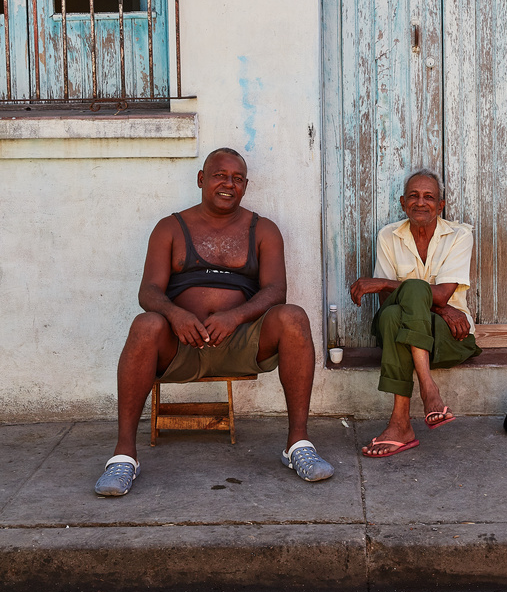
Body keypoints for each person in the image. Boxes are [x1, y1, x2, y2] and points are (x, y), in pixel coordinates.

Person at [94, 147, 333, 495]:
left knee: (293, 318)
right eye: (220, 175)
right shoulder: (170, 227)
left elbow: (275, 290)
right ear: (201, 179)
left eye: (237, 179)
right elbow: (148, 292)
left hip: (240, 341)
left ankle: (298, 446)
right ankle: (123, 458)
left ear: (246, 186)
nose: (228, 184)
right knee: (145, 324)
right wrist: (176, 315)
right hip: (181, 343)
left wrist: (234, 316)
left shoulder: (263, 229)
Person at [350, 169, 479, 458]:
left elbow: (442, 294)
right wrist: (433, 302)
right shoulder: (388, 236)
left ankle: (401, 423)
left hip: (449, 337)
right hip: (401, 329)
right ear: (402, 202)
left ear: (441, 205)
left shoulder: (460, 235)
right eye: (414, 196)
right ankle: (427, 387)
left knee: (410, 299)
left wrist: (385, 282)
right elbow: (387, 305)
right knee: (394, 314)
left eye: (429, 197)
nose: (421, 203)